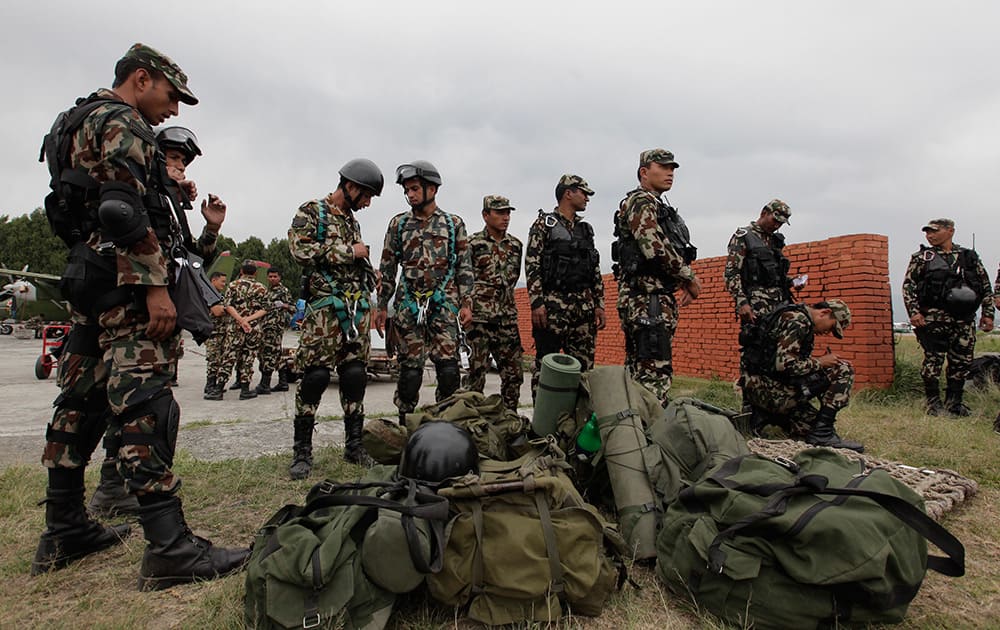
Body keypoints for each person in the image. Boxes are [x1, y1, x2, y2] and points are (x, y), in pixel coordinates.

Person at [35, 43, 248, 588]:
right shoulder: (123, 121)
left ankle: (63, 528)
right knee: (145, 407)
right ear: (141, 78)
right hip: (130, 287)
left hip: (90, 280)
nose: (174, 110)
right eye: (172, 96)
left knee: (79, 401)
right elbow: (121, 207)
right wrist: (156, 288)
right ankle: (169, 547)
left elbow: (74, 206)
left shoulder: (73, 120)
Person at [88, 124, 226, 517]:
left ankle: (114, 488)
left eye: (183, 161)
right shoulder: (137, 197)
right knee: (143, 406)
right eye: (174, 158)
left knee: (136, 403)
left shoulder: (164, 204)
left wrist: (211, 226)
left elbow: (189, 261)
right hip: (135, 312)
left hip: (158, 316)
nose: (181, 168)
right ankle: (124, 492)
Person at [288, 159, 384, 478]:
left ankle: (354, 446)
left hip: (354, 309)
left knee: (355, 374)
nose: (368, 203)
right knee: (315, 376)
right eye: (367, 195)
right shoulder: (312, 211)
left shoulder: (351, 221)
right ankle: (302, 452)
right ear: (351, 187)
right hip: (324, 310)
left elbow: (355, 259)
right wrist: (350, 253)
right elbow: (300, 251)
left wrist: (371, 271)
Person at [376, 160, 473, 424]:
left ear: (433, 189)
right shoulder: (398, 225)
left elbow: (464, 267)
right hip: (409, 306)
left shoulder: (453, 224)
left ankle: (446, 426)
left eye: (415, 188)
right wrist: (382, 306)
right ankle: (405, 425)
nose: (410, 195)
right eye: (407, 190)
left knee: (449, 371)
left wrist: (467, 304)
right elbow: (387, 267)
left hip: (444, 308)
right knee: (410, 373)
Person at [612, 150, 699, 406]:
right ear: (644, 172)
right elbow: (654, 248)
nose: (670, 172)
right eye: (662, 167)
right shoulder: (641, 201)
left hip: (651, 298)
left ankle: (635, 435)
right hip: (647, 300)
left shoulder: (657, 205)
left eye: (672, 168)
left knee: (640, 374)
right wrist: (688, 277)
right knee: (653, 377)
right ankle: (650, 439)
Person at [741, 299, 864, 452]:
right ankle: (822, 433)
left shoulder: (792, 313)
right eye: (830, 328)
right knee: (843, 369)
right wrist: (820, 363)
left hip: (761, 389)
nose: (826, 333)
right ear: (825, 313)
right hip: (772, 392)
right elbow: (784, 365)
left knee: (810, 426)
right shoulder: (798, 320)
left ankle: (766, 415)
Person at [902, 218, 994, 416]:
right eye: (927, 232)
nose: (930, 235)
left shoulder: (968, 257)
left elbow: (985, 286)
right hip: (934, 319)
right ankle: (933, 404)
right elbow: (909, 285)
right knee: (932, 361)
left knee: (961, 361)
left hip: (963, 320)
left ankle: (955, 403)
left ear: (950, 231)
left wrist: (988, 314)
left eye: (934, 231)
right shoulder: (923, 257)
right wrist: (914, 312)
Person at [524, 174, 604, 399]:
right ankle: (542, 422)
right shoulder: (544, 225)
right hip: (553, 308)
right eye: (583, 193)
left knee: (584, 370)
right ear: (568, 193)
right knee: (546, 365)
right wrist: (537, 303)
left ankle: (578, 423)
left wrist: (599, 304)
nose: (587, 198)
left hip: (584, 310)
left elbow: (594, 270)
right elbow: (532, 264)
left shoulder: (586, 230)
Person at [464, 195, 524, 412]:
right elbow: (463, 278)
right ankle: (471, 420)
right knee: (476, 375)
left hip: (506, 318)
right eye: (499, 213)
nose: (505, 217)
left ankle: (509, 418)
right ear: (485, 215)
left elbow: (513, 278)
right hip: (478, 320)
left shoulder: (515, 245)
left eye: (508, 213)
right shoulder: (472, 244)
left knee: (514, 374)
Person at [724, 199, 795, 322]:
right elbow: (731, 272)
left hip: (781, 304)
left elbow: (773, 275)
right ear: (764, 213)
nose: (777, 226)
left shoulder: (775, 241)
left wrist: (793, 282)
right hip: (757, 305)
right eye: (775, 220)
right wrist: (741, 302)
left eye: (781, 223)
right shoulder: (744, 236)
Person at [215, 260, 268, 400]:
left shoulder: (233, 285)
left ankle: (218, 389)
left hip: (235, 328)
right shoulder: (261, 287)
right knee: (248, 357)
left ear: (241, 272)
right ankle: (245, 390)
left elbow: (228, 306)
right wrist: (248, 320)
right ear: (255, 273)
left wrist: (240, 320)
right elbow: (265, 309)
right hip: (253, 328)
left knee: (229, 356)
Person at [254, 268, 295, 394]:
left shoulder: (283, 291)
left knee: (269, 353)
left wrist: (283, 305)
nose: (272, 278)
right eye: (270, 276)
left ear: (279, 277)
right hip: (265, 326)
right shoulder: (267, 290)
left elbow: (293, 308)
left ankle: (265, 383)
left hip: (275, 326)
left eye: (275, 276)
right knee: (276, 353)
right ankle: (283, 382)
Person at [202, 271, 233, 399]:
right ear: (213, 280)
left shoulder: (218, 295)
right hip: (213, 332)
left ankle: (213, 384)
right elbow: (217, 312)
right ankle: (210, 385)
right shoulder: (208, 295)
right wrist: (230, 308)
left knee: (219, 359)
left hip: (221, 332)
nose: (224, 284)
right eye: (222, 281)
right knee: (213, 359)